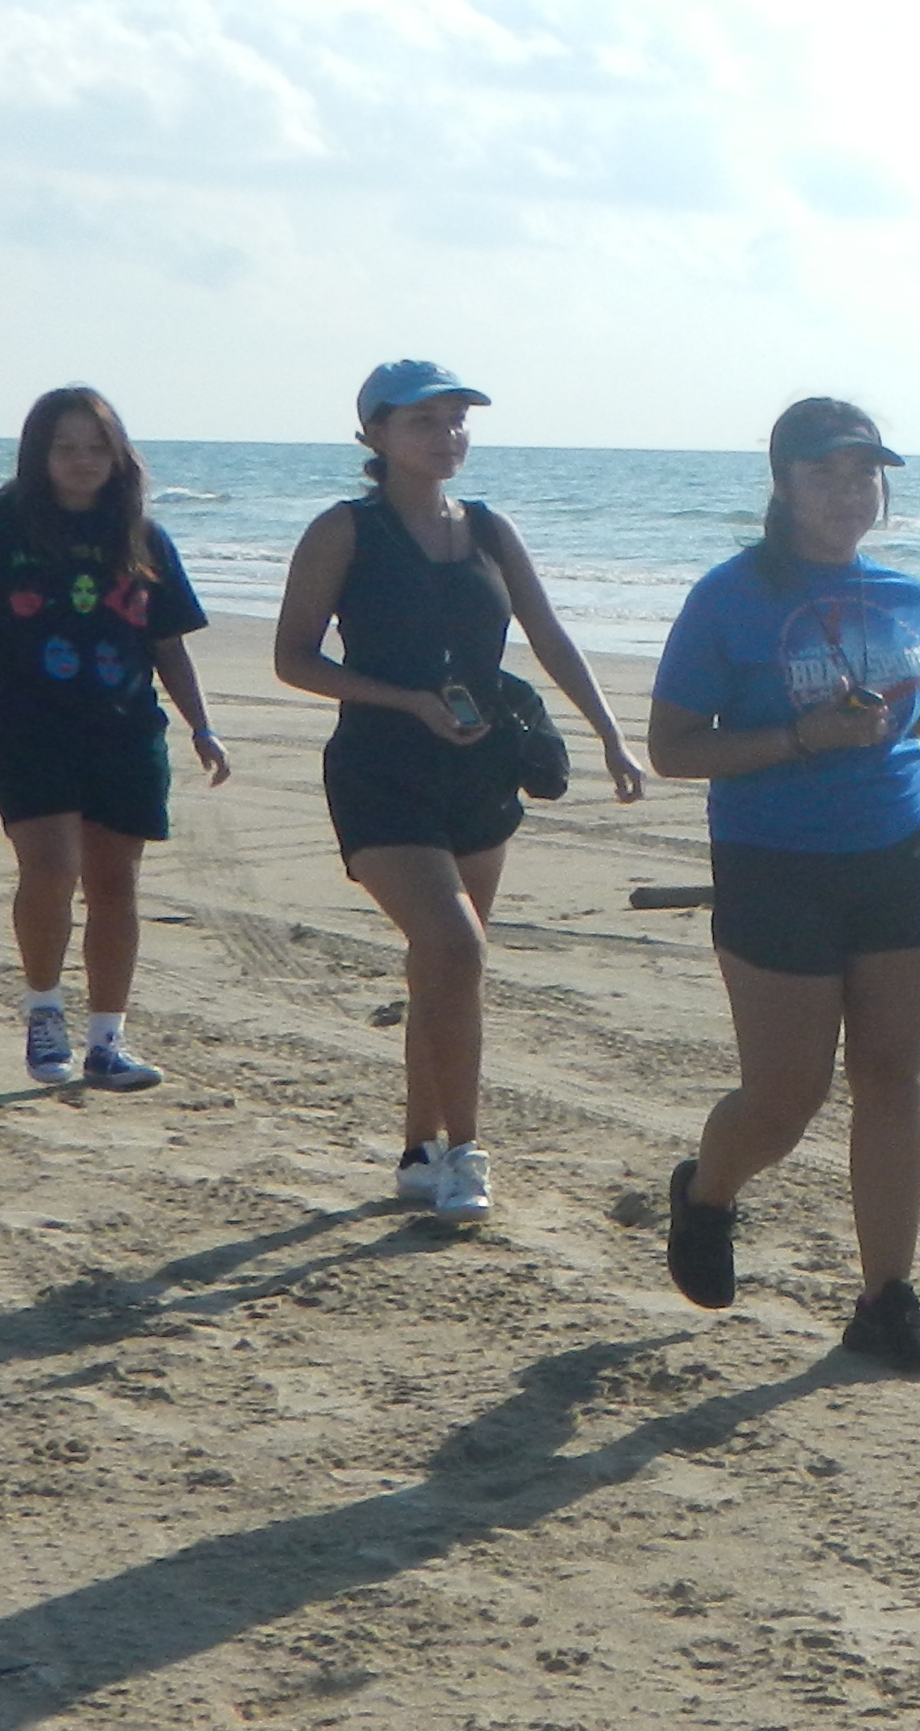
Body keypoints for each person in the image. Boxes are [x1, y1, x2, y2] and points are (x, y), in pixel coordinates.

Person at [644, 399, 920, 1377]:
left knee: (893, 1078)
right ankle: (706, 1191)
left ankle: (886, 1299)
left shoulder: (909, 597)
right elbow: (671, 747)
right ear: (784, 485)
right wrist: (802, 736)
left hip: (900, 861)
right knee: (786, 1099)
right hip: (776, 864)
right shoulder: (730, 596)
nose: (849, 492)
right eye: (827, 474)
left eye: (864, 474)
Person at [269, 359, 644, 1221]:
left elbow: (546, 634)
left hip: (479, 768)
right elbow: (293, 658)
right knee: (458, 947)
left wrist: (610, 733)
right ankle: (469, 1153)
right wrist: (408, 702)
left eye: (456, 421)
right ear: (374, 436)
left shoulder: (488, 529)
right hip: (381, 769)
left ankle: (418, 1150)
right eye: (423, 423)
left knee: (443, 966)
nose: (446, 437)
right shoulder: (345, 530)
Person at [0, 387, 230, 1092]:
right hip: (25, 723)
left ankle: (108, 1040)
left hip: (125, 727)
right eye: (66, 447)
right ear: (39, 455)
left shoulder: (141, 535)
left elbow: (166, 641)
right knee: (50, 870)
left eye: (96, 447)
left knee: (116, 882)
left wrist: (202, 724)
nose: (82, 461)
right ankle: (44, 1011)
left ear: (119, 455)